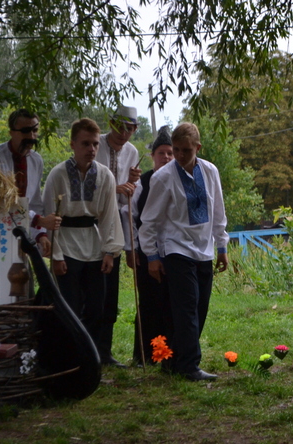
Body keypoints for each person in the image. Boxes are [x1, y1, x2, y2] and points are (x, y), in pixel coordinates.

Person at [138, 123, 229, 381]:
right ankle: (189, 365)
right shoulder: (163, 177)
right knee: (186, 306)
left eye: (185, 150)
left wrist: (221, 246)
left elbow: (218, 211)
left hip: (204, 248)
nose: (179, 155)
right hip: (176, 248)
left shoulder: (210, 171)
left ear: (198, 148)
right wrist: (152, 257)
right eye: (175, 149)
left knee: (200, 307)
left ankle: (174, 359)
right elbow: (149, 221)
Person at [42, 118, 125, 367]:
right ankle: (69, 357)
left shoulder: (105, 176)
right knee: (69, 306)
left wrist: (110, 251)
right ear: (73, 144)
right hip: (66, 245)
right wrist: (55, 255)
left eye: (95, 144)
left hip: (94, 244)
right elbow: (49, 216)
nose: (91, 149)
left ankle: (93, 357)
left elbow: (110, 215)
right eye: (85, 143)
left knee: (97, 308)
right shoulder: (57, 174)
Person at [94, 105, 142, 368]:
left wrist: (132, 183)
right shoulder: (95, 145)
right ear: (111, 123)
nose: (125, 133)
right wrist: (117, 186)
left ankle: (105, 350)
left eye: (131, 128)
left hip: (114, 226)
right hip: (89, 224)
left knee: (110, 291)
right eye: (121, 126)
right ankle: (86, 348)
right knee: (90, 291)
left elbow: (128, 196)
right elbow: (90, 182)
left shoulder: (133, 152)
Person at [124, 126, 174, 367]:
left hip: (173, 251)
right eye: (162, 153)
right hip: (146, 252)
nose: (166, 158)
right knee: (149, 305)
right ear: (153, 156)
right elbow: (131, 216)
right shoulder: (143, 183)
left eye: (170, 154)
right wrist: (131, 248)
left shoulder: (178, 179)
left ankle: (164, 354)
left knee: (169, 304)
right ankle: (143, 356)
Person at [0, 109, 61, 256]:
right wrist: (38, 220)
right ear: (12, 132)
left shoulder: (36, 160)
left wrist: (40, 235)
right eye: (25, 131)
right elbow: (0, 201)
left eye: (35, 130)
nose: (31, 136)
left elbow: (34, 202)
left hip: (23, 234)